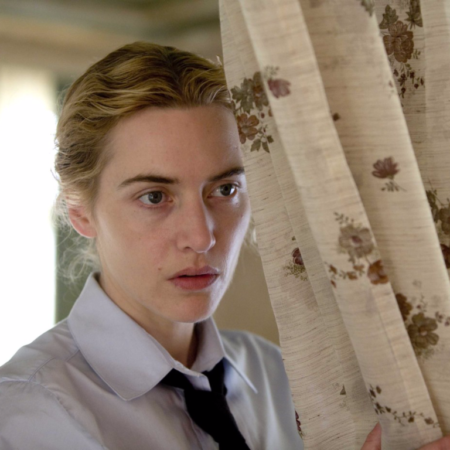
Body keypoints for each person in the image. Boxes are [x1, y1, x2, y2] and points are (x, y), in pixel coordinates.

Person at [0, 41, 448, 450]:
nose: (201, 236)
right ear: (80, 211)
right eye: (154, 197)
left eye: (225, 190)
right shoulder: (31, 412)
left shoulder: (278, 374)